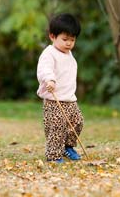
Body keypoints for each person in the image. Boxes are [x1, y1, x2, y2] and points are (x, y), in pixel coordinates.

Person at [36, 13, 83, 163]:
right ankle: (53, 155)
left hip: (69, 99)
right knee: (56, 126)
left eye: (72, 40)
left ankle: (67, 147)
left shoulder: (69, 55)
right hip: (54, 100)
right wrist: (49, 80)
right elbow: (45, 69)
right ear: (52, 36)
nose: (69, 43)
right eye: (65, 39)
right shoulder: (49, 53)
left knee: (77, 122)